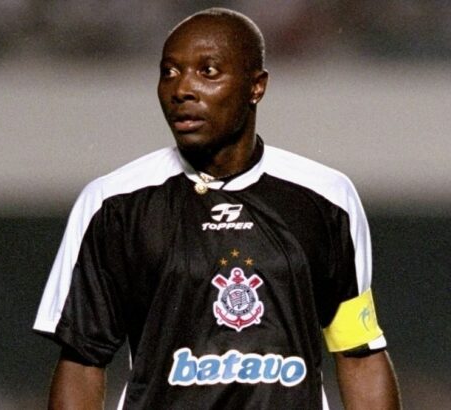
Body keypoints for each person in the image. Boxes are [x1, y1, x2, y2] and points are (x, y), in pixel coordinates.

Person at [34, 7, 401, 410]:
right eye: (169, 72)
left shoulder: (327, 199)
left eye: (207, 72)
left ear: (256, 86)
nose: (181, 90)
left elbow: (359, 354)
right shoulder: (113, 205)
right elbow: (83, 361)